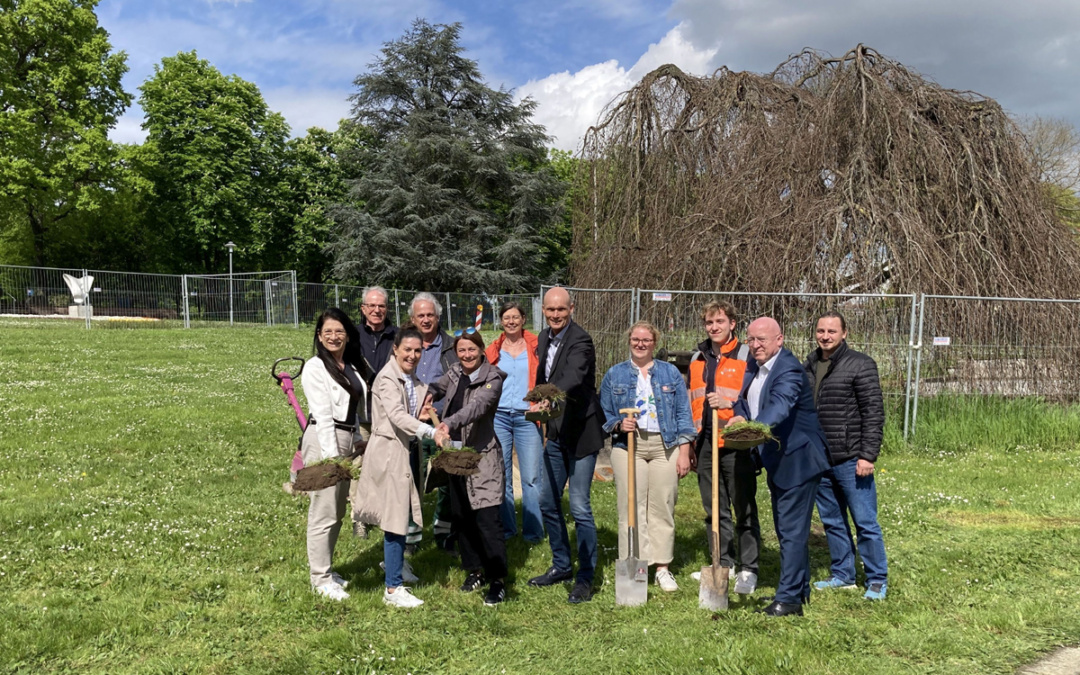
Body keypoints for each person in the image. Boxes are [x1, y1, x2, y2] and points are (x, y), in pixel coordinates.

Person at [727, 317, 830, 617]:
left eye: (762, 339)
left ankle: (788, 601)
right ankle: (800, 590)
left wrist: (752, 429)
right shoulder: (754, 367)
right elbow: (745, 400)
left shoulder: (788, 370)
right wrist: (740, 415)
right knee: (789, 530)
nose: (755, 345)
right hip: (778, 460)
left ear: (779, 340)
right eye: (751, 339)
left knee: (791, 531)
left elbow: (780, 406)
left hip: (798, 461)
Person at [352, 328, 451, 609]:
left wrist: (422, 409)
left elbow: (410, 409)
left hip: (407, 452)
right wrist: (430, 432)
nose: (412, 355)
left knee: (405, 511)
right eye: (407, 349)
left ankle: (394, 564)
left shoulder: (412, 379)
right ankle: (393, 588)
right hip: (390, 453)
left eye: (418, 350)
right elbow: (396, 415)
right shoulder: (386, 378)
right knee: (395, 519)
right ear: (395, 349)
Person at [599, 321, 696, 592]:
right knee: (631, 505)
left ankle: (662, 567)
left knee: (663, 504)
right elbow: (604, 413)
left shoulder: (670, 374)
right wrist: (619, 424)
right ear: (629, 341)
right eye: (635, 339)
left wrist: (684, 451)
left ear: (654, 343)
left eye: (646, 340)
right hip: (629, 447)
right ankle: (636, 565)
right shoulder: (615, 374)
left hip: (665, 445)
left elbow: (683, 414)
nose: (640, 344)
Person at [528, 287, 606, 604]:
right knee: (547, 499)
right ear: (544, 310)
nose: (556, 315)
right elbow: (544, 373)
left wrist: (549, 395)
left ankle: (585, 577)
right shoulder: (544, 338)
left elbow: (574, 375)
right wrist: (537, 402)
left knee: (579, 507)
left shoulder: (581, 340)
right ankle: (561, 564)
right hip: (557, 432)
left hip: (583, 433)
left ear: (571, 308)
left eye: (561, 309)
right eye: (550, 310)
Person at [805, 311, 889, 600]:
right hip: (820, 460)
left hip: (852, 458)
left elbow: (874, 413)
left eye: (831, 331)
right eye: (820, 330)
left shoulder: (860, 364)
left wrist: (868, 455)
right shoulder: (811, 364)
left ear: (844, 334)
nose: (825, 336)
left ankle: (877, 578)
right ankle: (843, 574)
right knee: (832, 520)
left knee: (865, 521)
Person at [428, 329, 510, 606]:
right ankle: (474, 570)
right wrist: (429, 393)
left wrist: (448, 423)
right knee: (462, 516)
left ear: (481, 349)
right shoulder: (454, 372)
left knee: (487, 519)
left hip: (481, 458)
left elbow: (477, 407)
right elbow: (439, 385)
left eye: (471, 350)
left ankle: (497, 580)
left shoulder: (492, 378)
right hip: (455, 456)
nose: (466, 355)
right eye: (461, 350)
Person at [685, 301, 760, 595]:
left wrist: (730, 405)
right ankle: (722, 563)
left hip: (735, 441)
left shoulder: (747, 355)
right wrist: (690, 442)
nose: (713, 327)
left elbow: (755, 399)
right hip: (705, 442)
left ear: (732, 323)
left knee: (743, 507)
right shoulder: (697, 357)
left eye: (719, 321)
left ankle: (749, 568)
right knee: (713, 509)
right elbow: (692, 402)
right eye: (709, 323)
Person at [299, 308, 369, 601]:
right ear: (319, 336)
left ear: (348, 335)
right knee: (323, 511)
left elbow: (353, 408)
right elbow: (325, 416)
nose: (333, 336)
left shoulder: (351, 366)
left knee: (337, 510)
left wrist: (356, 440)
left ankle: (327, 569)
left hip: (345, 438)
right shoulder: (316, 368)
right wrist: (331, 460)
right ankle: (320, 578)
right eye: (327, 331)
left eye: (339, 331)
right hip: (324, 440)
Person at [485, 301, 545, 543]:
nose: (511, 321)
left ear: (523, 320)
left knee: (531, 477)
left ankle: (533, 533)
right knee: (503, 475)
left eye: (515, 317)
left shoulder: (536, 347)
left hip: (527, 417)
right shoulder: (493, 349)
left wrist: (543, 400)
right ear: (501, 321)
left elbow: (547, 375)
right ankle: (508, 530)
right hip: (498, 417)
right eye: (506, 317)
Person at [407, 292, 460, 553]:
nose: (426, 320)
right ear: (412, 319)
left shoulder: (452, 347)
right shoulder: (404, 346)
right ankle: (412, 538)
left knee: (446, 482)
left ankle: (444, 534)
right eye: (421, 315)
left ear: (438, 318)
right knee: (412, 482)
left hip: (443, 424)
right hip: (412, 426)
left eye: (430, 315)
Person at [357, 286, 397, 385]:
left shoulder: (398, 336)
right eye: (372, 305)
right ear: (363, 309)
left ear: (387, 308)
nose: (377, 310)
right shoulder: (353, 335)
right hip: (362, 396)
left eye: (381, 306)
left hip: (389, 395)